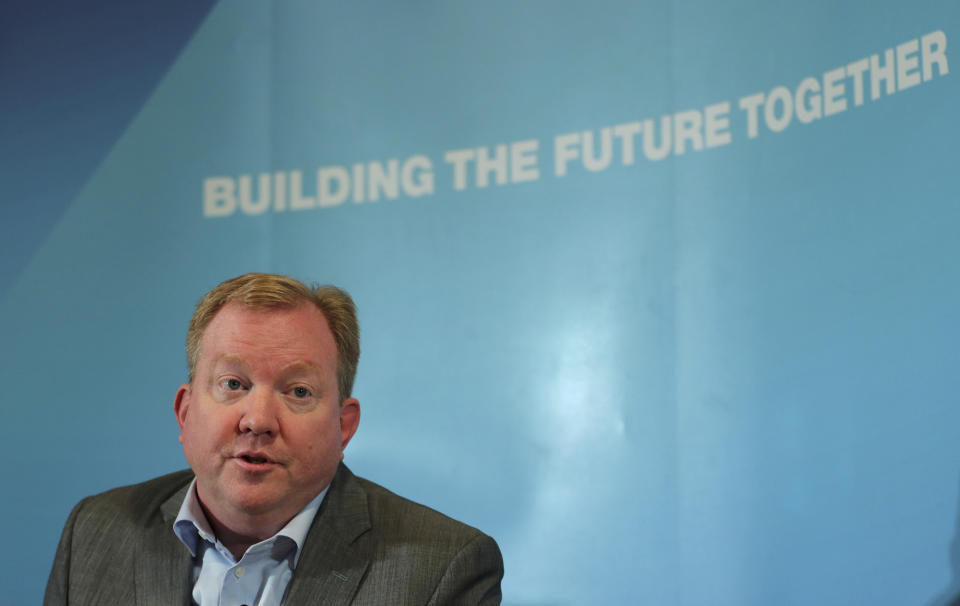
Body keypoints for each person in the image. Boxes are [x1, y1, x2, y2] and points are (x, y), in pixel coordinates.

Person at [44, 273, 503, 605]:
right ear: (185, 412)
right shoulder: (95, 532)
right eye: (232, 385)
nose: (258, 420)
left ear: (344, 427)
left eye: (298, 391)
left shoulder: (442, 570)